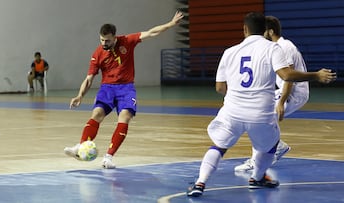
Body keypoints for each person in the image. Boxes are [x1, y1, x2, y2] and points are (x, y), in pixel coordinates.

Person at [186, 12, 336, 197]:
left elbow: (219, 87)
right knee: (269, 146)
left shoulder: (229, 52)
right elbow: (286, 75)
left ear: (245, 29)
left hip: (232, 111)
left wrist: (237, 97)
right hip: (260, 113)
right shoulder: (273, 48)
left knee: (219, 146)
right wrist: (316, 75)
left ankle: (200, 183)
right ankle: (257, 178)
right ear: (264, 30)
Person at [64, 11, 184, 169]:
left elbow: (151, 32)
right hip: (107, 88)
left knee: (125, 117)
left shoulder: (127, 41)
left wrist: (170, 24)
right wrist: (80, 95)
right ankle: (81, 147)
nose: (104, 43)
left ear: (115, 37)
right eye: (101, 40)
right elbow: (89, 78)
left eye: (107, 40)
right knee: (97, 114)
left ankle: (108, 157)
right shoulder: (98, 53)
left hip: (126, 88)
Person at [234, 16, 310, 172]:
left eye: (263, 32)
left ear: (270, 31)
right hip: (285, 91)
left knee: (257, 115)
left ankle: (258, 160)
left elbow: (289, 77)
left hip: (294, 92)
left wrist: (282, 101)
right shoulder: (275, 47)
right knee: (257, 115)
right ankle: (277, 146)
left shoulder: (283, 46)